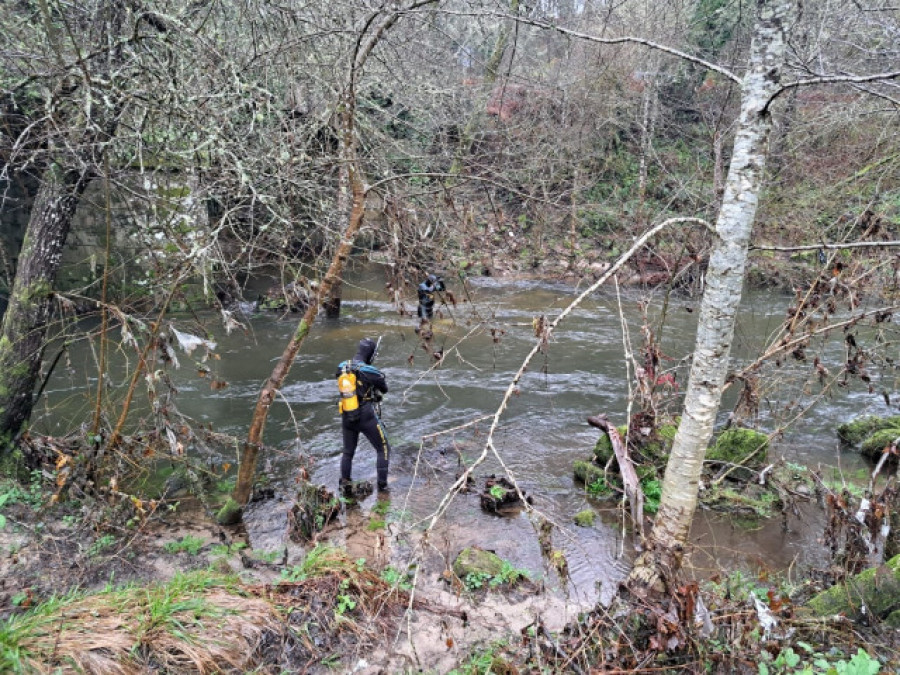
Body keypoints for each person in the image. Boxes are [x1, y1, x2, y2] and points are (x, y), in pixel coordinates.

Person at [336, 338, 391, 493]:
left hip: (346, 414)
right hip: (365, 415)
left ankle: (345, 483)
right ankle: (382, 486)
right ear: (370, 354)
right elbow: (384, 388)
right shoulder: (371, 371)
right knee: (383, 448)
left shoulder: (341, 367)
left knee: (348, 452)